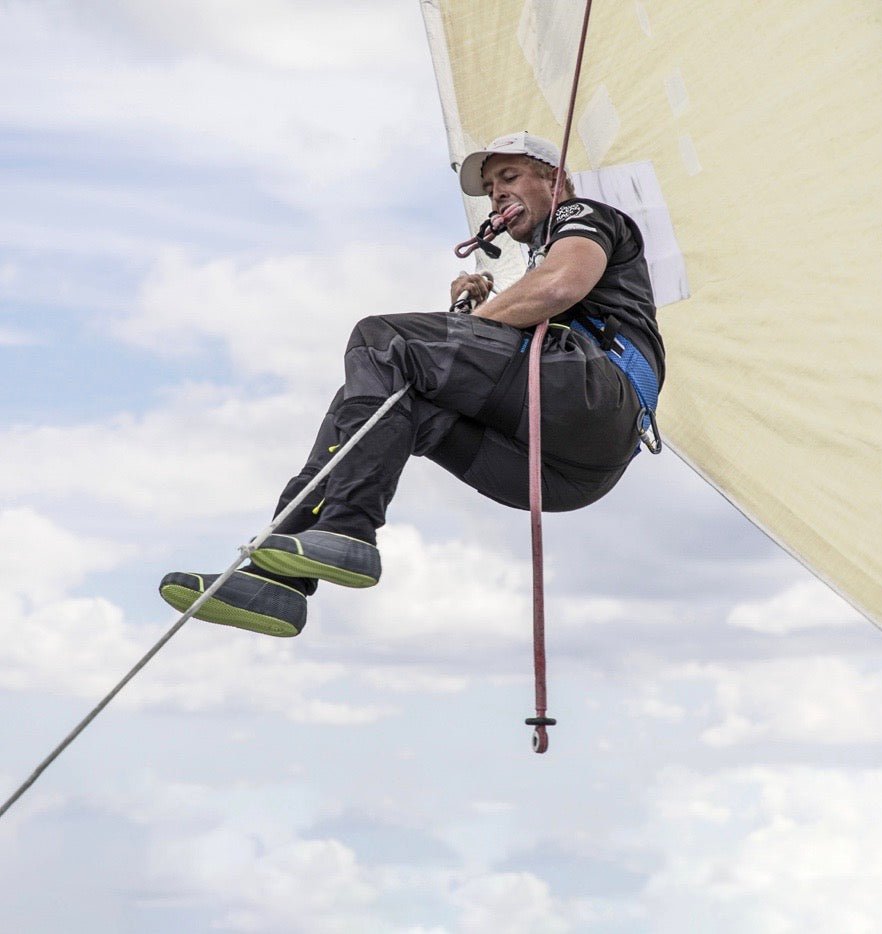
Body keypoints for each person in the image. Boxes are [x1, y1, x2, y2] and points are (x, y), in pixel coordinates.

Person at [159, 132, 665, 637]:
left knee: (381, 339)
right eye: (489, 189)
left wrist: (478, 320)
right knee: (380, 400)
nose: (497, 195)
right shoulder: (536, 260)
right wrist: (465, 315)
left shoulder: (583, 217)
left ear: (554, 179)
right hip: (569, 474)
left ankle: (348, 528)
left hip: (596, 399)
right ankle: (276, 584)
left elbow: (561, 285)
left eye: (509, 177)